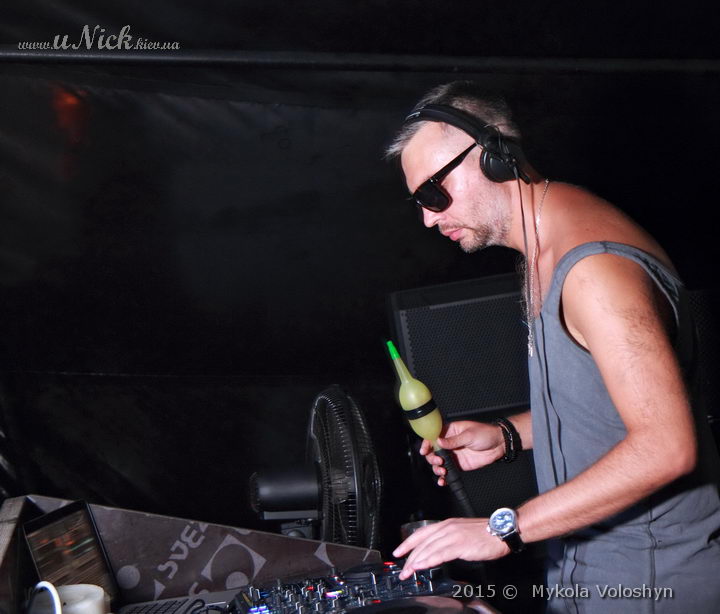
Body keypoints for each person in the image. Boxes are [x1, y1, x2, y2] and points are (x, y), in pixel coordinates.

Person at [386, 81, 720, 612]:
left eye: (434, 192)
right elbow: (605, 405)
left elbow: (666, 446)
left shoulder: (594, 269)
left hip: (651, 579)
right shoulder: (548, 243)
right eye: (419, 201)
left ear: (494, 156)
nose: (428, 217)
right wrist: (505, 436)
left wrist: (503, 528)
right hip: (593, 568)